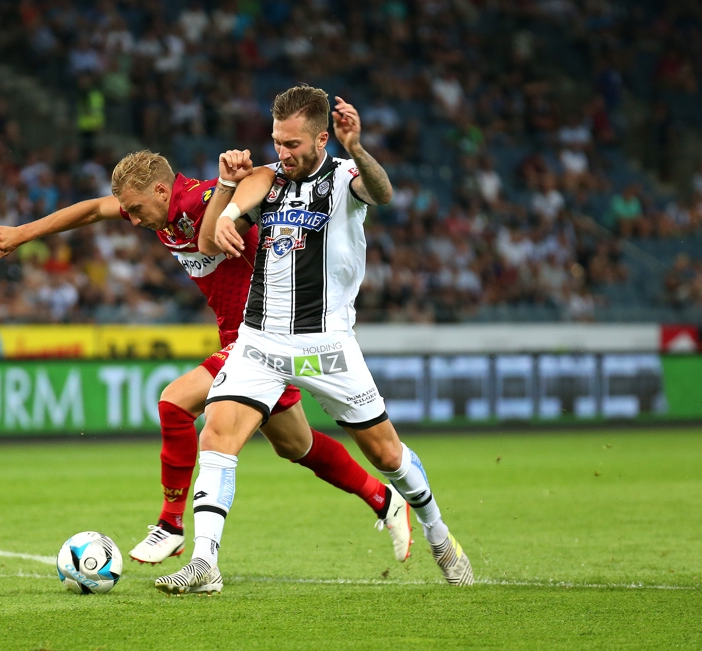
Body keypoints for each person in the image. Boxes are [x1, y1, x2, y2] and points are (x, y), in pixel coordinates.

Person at [0, 148, 412, 590]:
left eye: (138, 210)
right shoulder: (156, 211)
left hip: (263, 334)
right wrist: (22, 233)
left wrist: (241, 183)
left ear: (162, 190)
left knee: (174, 403)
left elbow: (255, 195)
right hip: (240, 338)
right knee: (295, 446)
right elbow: (91, 211)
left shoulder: (205, 202)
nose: (135, 221)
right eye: (129, 212)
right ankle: (383, 497)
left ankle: (171, 525)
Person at [155, 85, 473, 595]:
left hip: (328, 344)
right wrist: (225, 195)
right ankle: (204, 562)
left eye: (294, 145)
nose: (283, 153)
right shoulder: (265, 179)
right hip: (261, 341)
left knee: (388, 456)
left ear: (323, 138)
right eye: (278, 142)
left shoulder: (347, 178)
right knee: (217, 433)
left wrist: (359, 148)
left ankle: (438, 532)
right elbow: (213, 237)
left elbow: (384, 193)